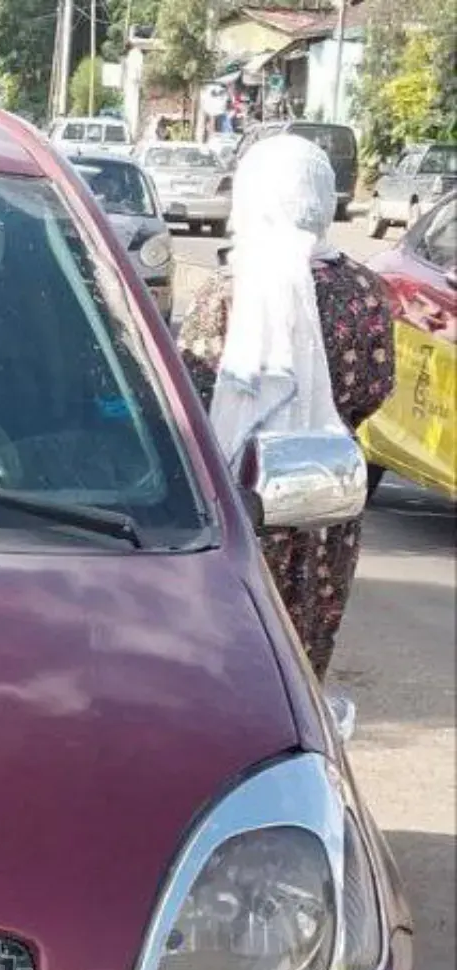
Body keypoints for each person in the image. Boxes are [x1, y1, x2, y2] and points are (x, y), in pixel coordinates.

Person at [179, 133, 395, 682]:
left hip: (235, 498)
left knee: (233, 645)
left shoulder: (231, 291)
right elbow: (375, 386)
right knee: (302, 652)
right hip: (325, 499)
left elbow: (193, 390)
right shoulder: (366, 290)